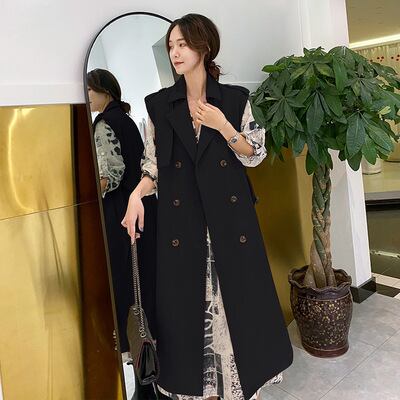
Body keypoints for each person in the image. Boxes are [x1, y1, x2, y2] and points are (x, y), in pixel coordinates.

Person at [122, 14, 293, 400]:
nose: (175, 52)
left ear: (204, 47)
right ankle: (205, 392)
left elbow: (255, 154)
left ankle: (238, 388)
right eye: (171, 45)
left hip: (231, 227)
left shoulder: (233, 99)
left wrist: (222, 125)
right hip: (184, 230)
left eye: (182, 44)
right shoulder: (158, 106)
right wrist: (136, 194)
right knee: (190, 318)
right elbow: (154, 166)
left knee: (237, 316)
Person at [87, 69, 161, 399]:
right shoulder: (127, 120)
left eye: (91, 89)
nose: (88, 95)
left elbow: (110, 176)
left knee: (129, 296)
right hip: (144, 214)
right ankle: (154, 378)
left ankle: (145, 384)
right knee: (145, 290)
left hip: (122, 220)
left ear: (105, 91)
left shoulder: (104, 123)